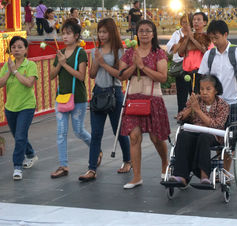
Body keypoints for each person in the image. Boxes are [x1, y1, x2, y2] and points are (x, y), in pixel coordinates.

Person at [119, 20, 170, 189]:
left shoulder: (159, 53)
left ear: (153, 34)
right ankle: (137, 176)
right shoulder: (129, 53)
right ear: (137, 33)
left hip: (153, 98)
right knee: (134, 137)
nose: (144, 33)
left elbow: (163, 77)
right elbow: (122, 76)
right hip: (133, 99)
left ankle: (165, 163)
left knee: (156, 138)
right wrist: (135, 64)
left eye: (148, 31)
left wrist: (143, 67)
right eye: (141, 30)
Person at [78, 18, 131, 182]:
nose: (101, 35)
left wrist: (103, 63)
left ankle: (128, 160)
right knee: (96, 133)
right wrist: (96, 61)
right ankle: (91, 168)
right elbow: (92, 75)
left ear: (111, 32)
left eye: (104, 32)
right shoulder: (96, 50)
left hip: (114, 92)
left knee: (119, 131)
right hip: (99, 92)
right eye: (100, 32)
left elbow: (120, 76)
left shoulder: (120, 52)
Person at [49, 18, 91, 179]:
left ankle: (95, 149)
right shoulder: (59, 53)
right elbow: (52, 75)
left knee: (79, 131)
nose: (65, 37)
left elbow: (81, 76)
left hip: (78, 98)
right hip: (61, 97)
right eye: (63, 34)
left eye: (68, 34)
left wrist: (65, 64)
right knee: (61, 132)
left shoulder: (80, 53)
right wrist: (60, 63)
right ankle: (63, 165)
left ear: (76, 36)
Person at [169, 75, 230, 186]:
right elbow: (180, 117)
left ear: (215, 90)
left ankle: (204, 176)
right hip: (194, 131)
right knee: (183, 136)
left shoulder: (223, 105)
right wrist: (191, 108)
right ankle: (181, 176)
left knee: (204, 137)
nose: (204, 92)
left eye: (208, 89)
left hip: (213, 134)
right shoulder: (196, 100)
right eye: (201, 89)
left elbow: (216, 125)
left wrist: (197, 110)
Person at [0, 36, 39, 180]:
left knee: (20, 136)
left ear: (26, 50)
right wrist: (9, 70)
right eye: (14, 47)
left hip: (26, 106)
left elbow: (28, 83)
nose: (16, 50)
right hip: (10, 107)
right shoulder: (7, 65)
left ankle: (17, 167)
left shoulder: (30, 65)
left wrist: (15, 71)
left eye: (20, 47)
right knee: (18, 136)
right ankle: (31, 154)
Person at [178, 12, 211, 95]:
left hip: (200, 73)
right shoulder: (187, 36)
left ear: (205, 23)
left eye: (198, 20)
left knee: (198, 99)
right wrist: (187, 38)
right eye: (194, 20)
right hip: (187, 73)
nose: (195, 22)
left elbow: (206, 51)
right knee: (186, 100)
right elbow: (180, 52)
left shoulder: (208, 38)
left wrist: (193, 40)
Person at [166, 14, 192, 112]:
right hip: (181, 68)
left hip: (193, 68)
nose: (185, 25)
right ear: (181, 23)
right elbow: (170, 48)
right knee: (182, 94)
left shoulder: (195, 34)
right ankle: (181, 114)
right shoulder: (176, 34)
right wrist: (182, 42)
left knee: (194, 93)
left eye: (188, 22)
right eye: (184, 22)